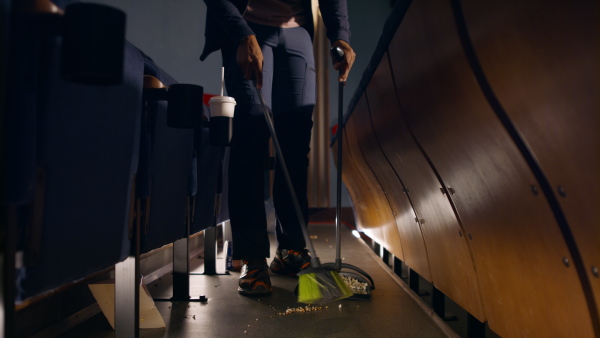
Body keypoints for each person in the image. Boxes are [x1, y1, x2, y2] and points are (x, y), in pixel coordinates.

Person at [200, 0, 355, 295]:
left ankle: (291, 250)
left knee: (295, 147)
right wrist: (240, 33)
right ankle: (252, 256)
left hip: (297, 33)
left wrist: (341, 35)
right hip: (247, 25)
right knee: (250, 140)